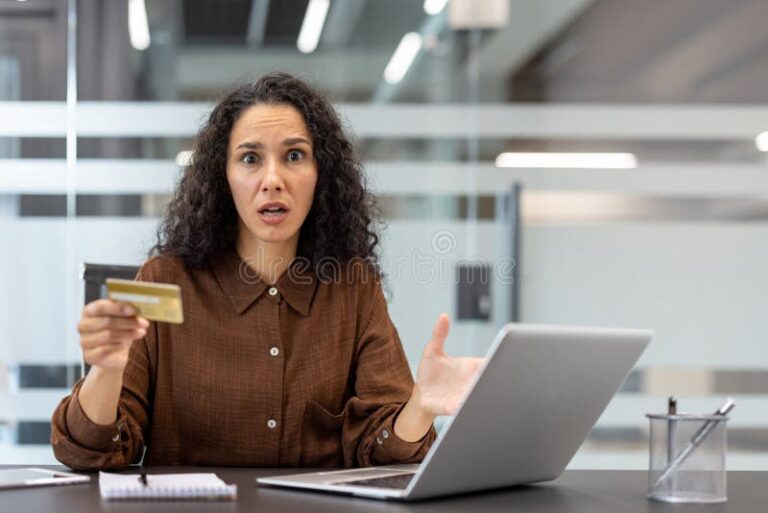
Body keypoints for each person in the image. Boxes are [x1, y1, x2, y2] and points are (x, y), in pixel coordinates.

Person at [51, 72, 484, 470]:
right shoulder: (164, 280)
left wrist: (421, 407)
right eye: (250, 159)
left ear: (321, 174)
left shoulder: (352, 288)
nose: (273, 179)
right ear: (223, 176)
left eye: (294, 155)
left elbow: (382, 451)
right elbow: (92, 449)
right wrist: (106, 369)